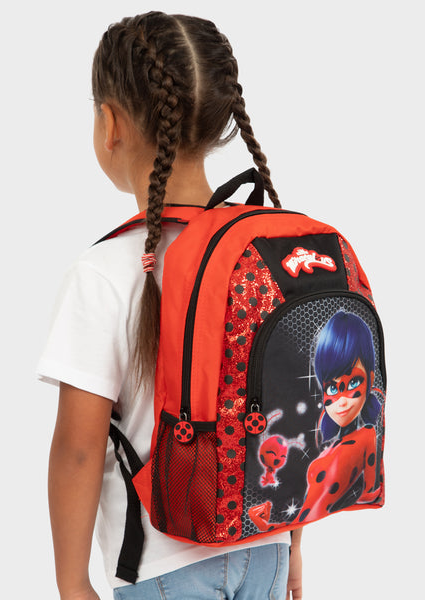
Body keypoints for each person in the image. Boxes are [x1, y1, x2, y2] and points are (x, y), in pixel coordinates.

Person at [38, 11, 303, 600]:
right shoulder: (260, 253)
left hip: (162, 567)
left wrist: (71, 584)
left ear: (110, 123)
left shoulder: (104, 273)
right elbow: (288, 408)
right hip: (265, 545)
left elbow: (78, 450)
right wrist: (292, 540)